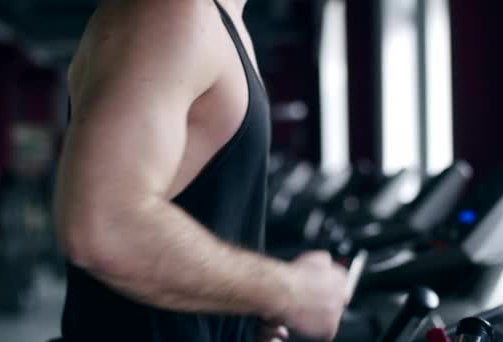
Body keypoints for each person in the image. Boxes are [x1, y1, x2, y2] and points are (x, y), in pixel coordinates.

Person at [55, 0, 348, 341]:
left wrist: (243, 309)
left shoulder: (220, 21)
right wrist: (290, 292)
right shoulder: (173, 11)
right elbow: (104, 224)